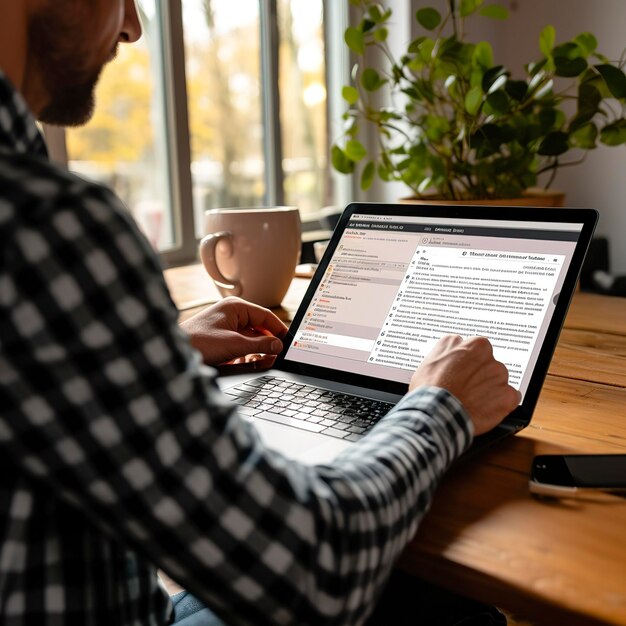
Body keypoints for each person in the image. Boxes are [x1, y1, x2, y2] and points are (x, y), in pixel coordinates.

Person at [0, 1, 521, 625]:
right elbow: (312, 569)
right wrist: (442, 405)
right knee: (447, 605)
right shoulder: (45, 225)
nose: (134, 25)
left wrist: (149, 348)